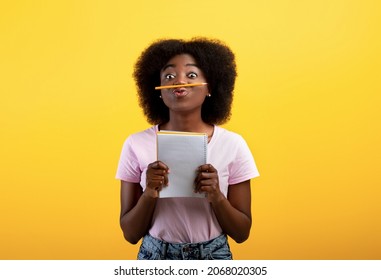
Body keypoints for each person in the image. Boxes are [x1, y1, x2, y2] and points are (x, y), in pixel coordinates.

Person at [116, 37, 259, 260]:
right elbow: (130, 233)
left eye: (191, 75)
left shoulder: (233, 144)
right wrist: (150, 192)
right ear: (158, 89)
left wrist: (217, 196)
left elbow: (242, 233)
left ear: (210, 87)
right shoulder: (135, 144)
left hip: (214, 256)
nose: (179, 81)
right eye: (169, 76)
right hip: (155, 257)